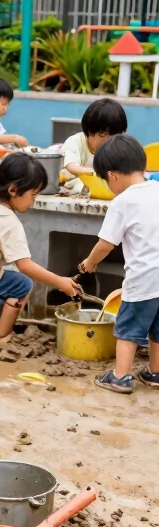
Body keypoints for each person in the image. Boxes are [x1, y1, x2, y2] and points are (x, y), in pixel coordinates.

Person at [0, 153, 81, 345]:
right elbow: (25, 266)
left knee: (7, 272)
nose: (34, 201)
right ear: (13, 190)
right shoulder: (10, 223)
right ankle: (1, 335)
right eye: (33, 195)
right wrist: (60, 282)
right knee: (23, 283)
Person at [79, 135, 159, 394]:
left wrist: (89, 263)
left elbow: (106, 243)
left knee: (127, 328)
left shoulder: (123, 202)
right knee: (157, 329)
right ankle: (155, 373)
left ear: (111, 176)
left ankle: (120, 376)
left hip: (144, 279)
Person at [60, 98, 127, 194]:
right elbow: (71, 165)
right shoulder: (75, 141)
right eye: (102, 135)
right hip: (75, 184)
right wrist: (91, 173)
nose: (108, 141)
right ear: (89, 131)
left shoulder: (118, 147)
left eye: (114, 136)